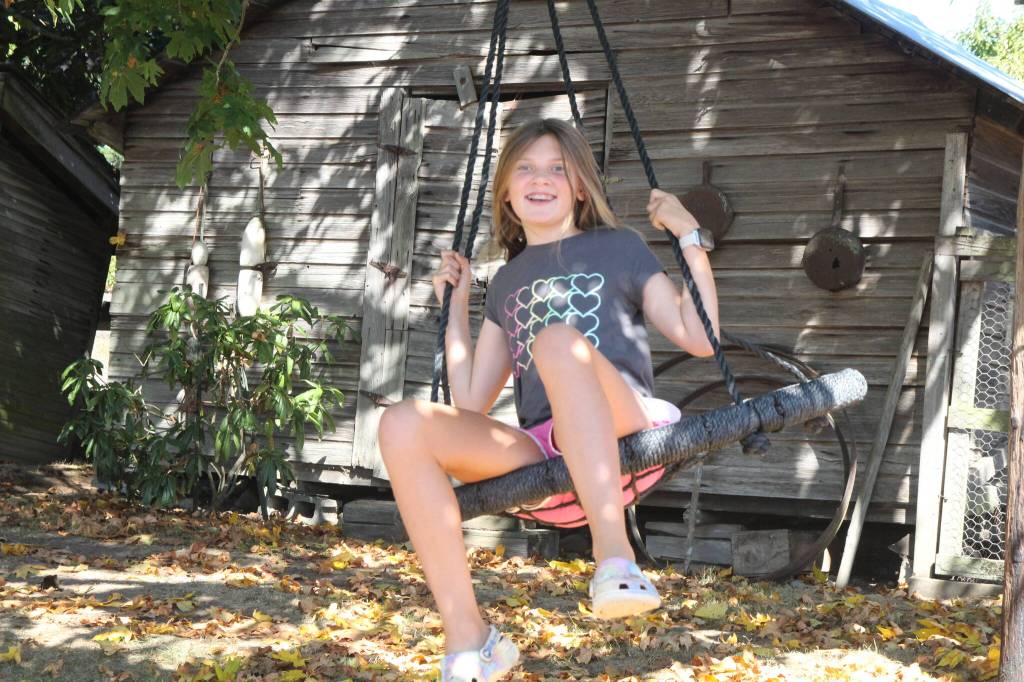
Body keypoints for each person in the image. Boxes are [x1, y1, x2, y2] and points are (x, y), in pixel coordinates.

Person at [377, 118, 720, 682]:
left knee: (557, 341)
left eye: (558, 168)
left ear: (582, 186)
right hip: (549, 452)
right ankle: (471, 639)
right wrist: (459, 305)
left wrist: (688, 237)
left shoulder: (620, 247)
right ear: (507, 192)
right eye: (526, 168)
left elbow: (701, 337)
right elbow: (469, 399)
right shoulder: (509, 279)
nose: (542, 179)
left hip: (626, 432)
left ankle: (614, 556)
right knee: (401, 422)